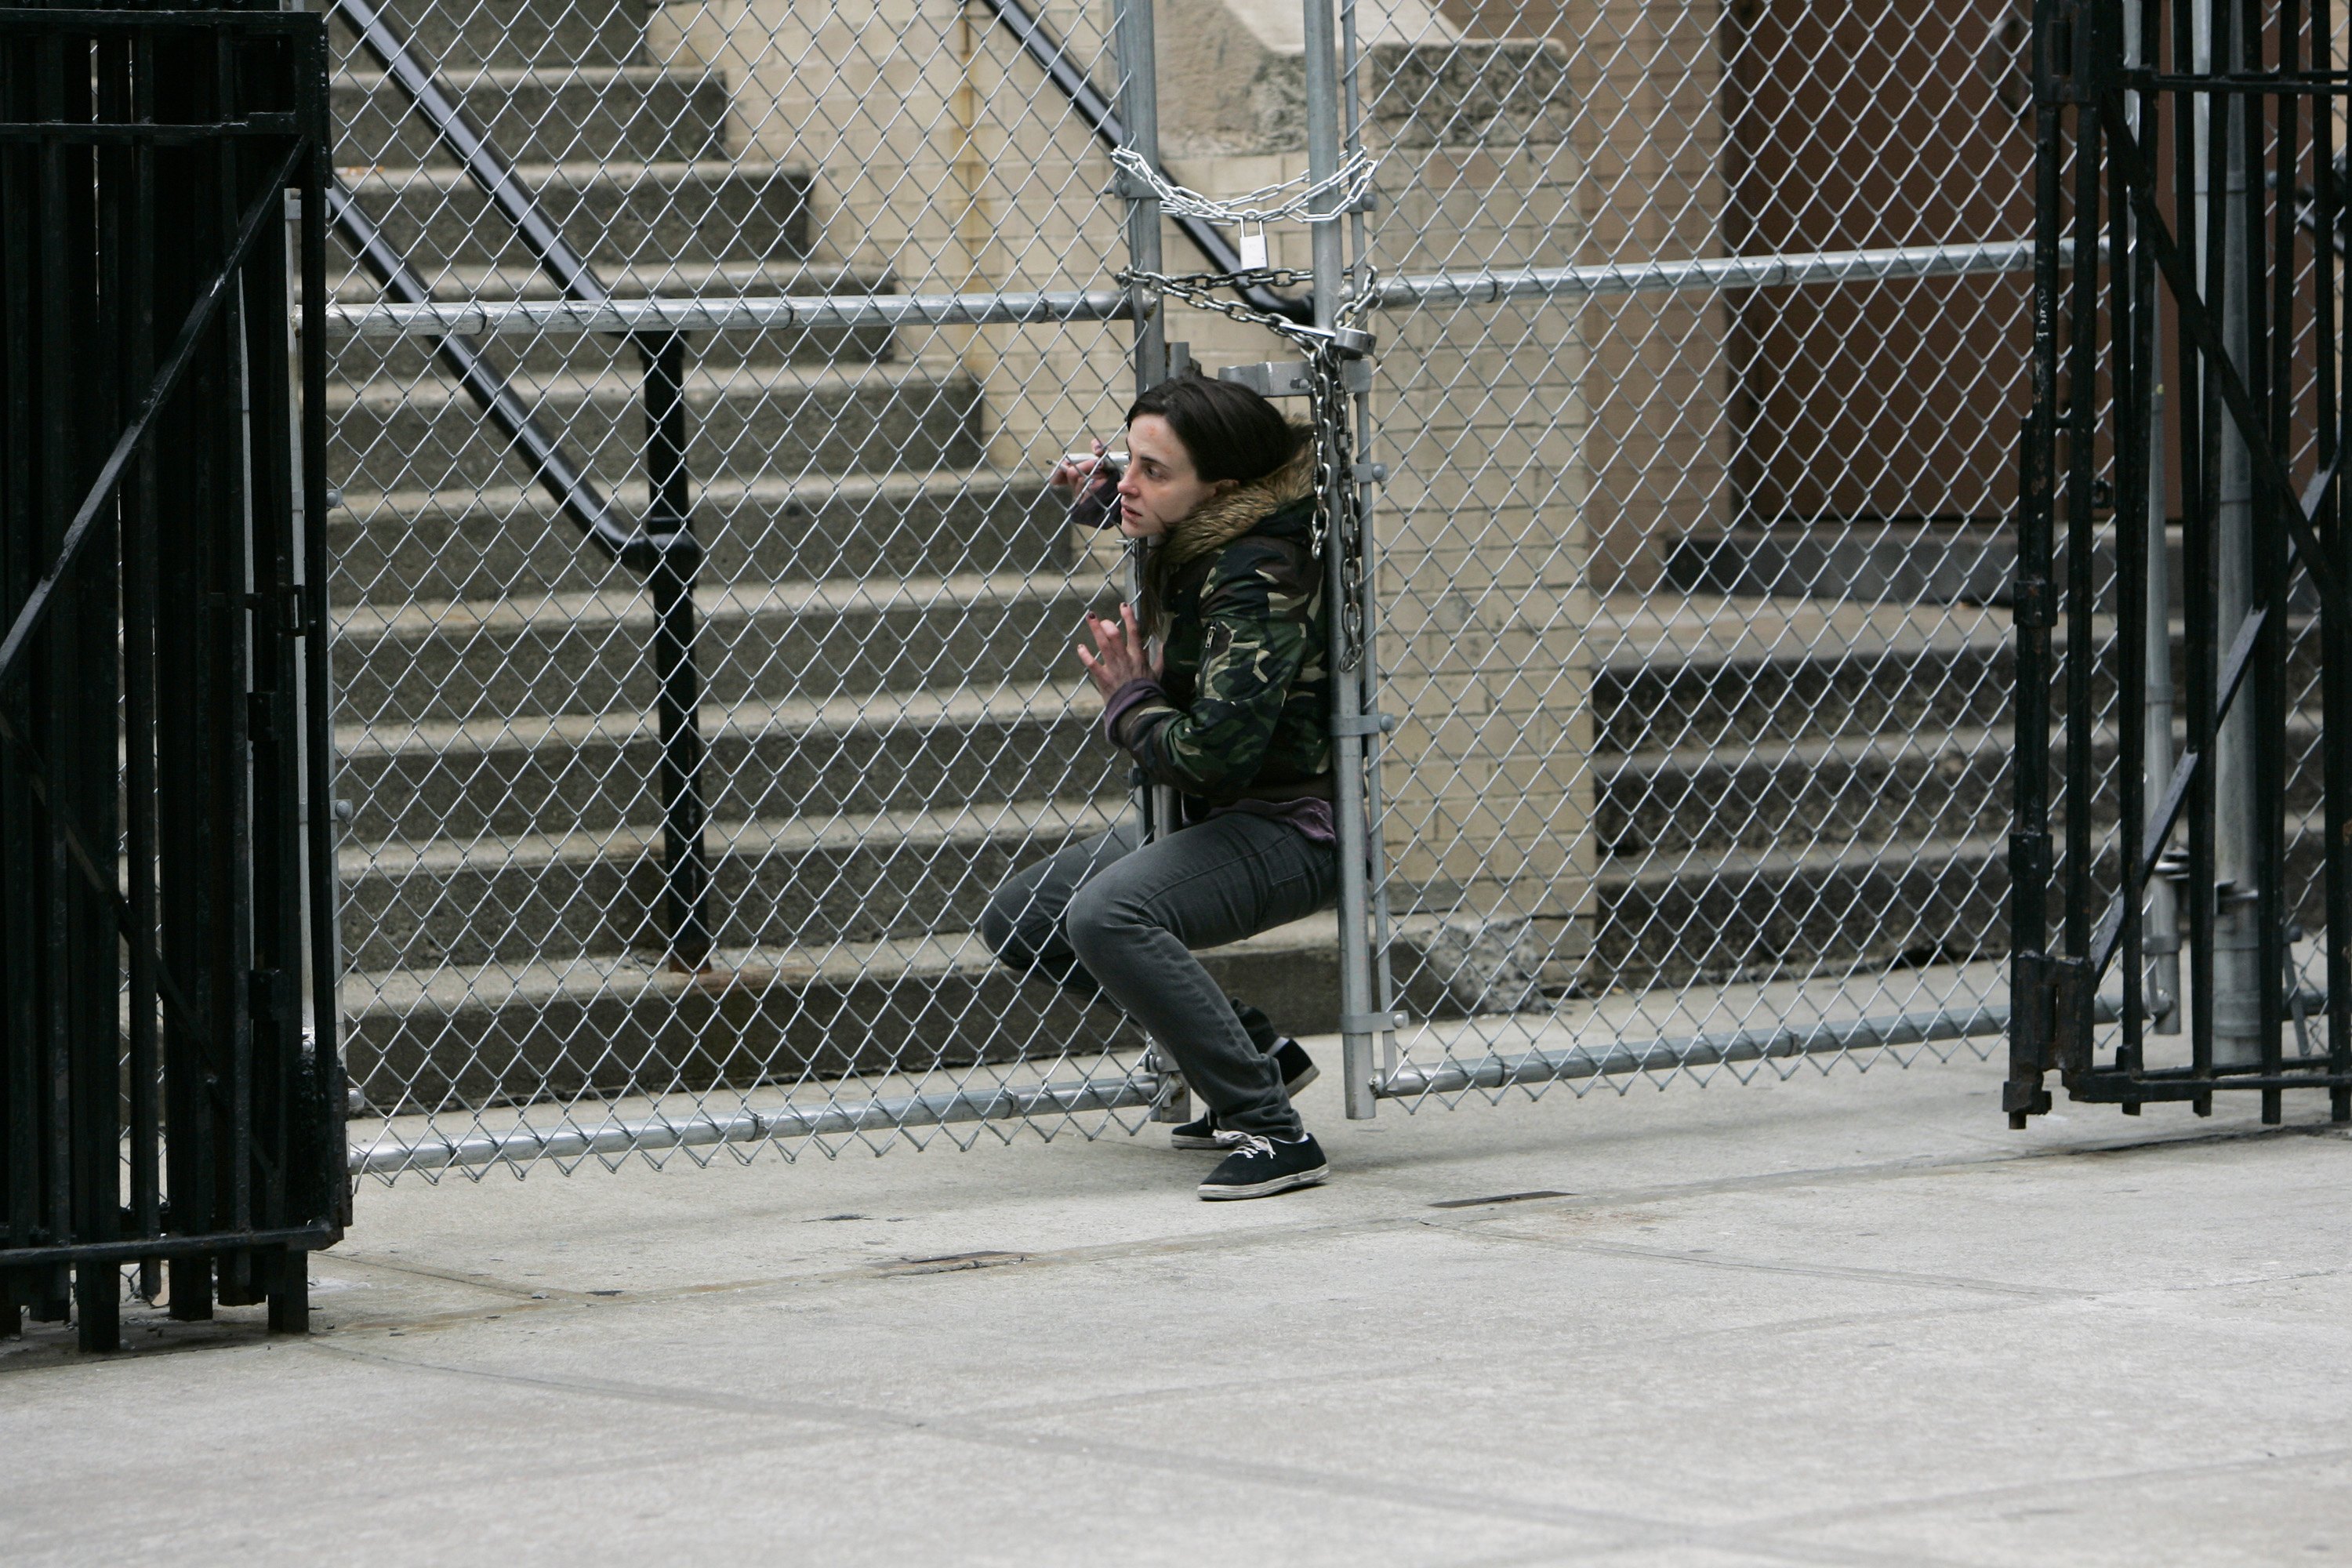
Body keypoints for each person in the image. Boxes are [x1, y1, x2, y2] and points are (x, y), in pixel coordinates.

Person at [978, 369, 1338, 1200]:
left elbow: (1214, 756)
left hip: (1288, 829)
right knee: (1024, 918)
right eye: (1126, 460)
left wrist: (1131, 702)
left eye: (1153, 471)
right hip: (1203, 815)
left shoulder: (1258, 578)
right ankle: (1258, 1056)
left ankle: (1272, 1129)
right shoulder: (1215, 528)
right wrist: (1111, 500)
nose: (1128, 483)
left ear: (1225, 489)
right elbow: (1172, 532)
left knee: (1108, 912)